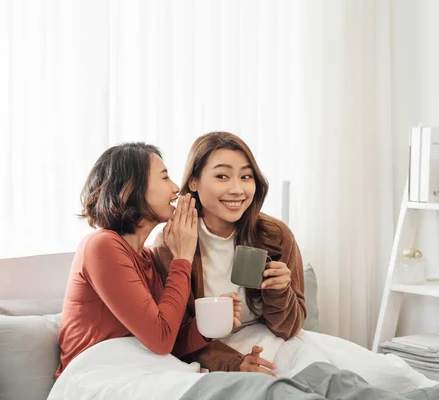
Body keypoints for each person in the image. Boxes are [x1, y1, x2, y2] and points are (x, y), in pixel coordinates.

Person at [153, 132, 437, 392]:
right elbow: (175, 333)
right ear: (193, 181)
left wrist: (279, 290)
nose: (238, 190)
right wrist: (232, 363)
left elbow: (288, 328)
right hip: (220, 348)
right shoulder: (172, 243)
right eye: (223, 177)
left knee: (390, 377)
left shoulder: (273, 235)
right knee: (326, 385)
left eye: (246, 177)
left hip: (278, 339)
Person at [56, 142, 238, 378]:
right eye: (164, 178)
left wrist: (210, 323)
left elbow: (168, 343)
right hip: (94, 376)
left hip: (137, 370)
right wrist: (182, 258)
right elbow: (161, 341)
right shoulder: (101, 246)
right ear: (132, 188)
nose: (175, 189)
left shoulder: (147, 259)